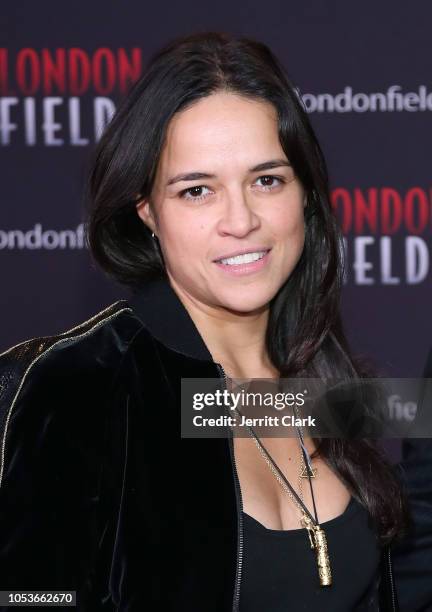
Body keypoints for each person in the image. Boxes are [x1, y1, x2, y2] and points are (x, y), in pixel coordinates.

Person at [0, 31, 410, 611]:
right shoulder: (83, 383)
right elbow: (28, 597)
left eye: (266, 180)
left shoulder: (322, 381)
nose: (240, 220)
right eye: (197, 191)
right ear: (146, 210)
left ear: (306, 195)